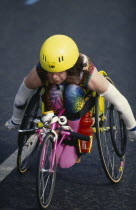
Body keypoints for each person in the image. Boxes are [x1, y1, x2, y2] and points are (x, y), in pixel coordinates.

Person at [5, 34, 136, 168]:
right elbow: (22, 97)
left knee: (71, 91)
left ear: (70, 66)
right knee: (54, 90)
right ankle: (58, 132)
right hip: (56, 104)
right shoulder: (40, 72)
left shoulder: (86, 72)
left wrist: (133, 127)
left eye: (59, 72)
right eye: (50, 72)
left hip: (80, 102)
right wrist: (16, 119)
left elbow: (119, 101)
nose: (54, 77)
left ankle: (72, 139)